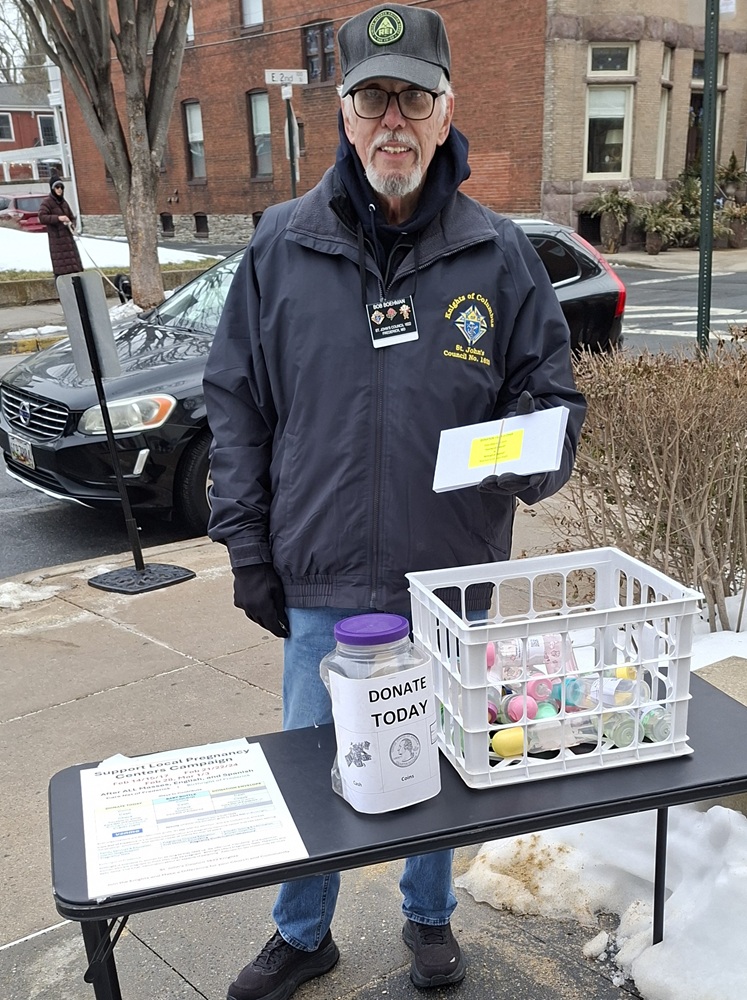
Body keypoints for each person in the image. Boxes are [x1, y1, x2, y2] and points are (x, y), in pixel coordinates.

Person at [203, 5, 586, 999]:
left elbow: (552, 397)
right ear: (343, 111)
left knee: (437, 756)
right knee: (316, 761)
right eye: (373, 98)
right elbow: (236, 404)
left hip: (446, 572)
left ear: (446, 110)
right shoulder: (282, 246)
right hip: (320, 570)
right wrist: (245, 544)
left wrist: (528, 455)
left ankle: (428, 915)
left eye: (413, 98)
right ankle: (302, 931)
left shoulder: (497, 254)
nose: (393, 122)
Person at [38, 176, 83, 279]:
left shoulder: (64, 202)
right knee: (62, 269)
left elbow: (72, 217)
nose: (59, 190)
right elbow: (42, 217)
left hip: (68, 240)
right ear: (52, 188)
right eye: (57, 187)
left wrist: (71, 224)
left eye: (61, 187)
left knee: (74, 267)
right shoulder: (47, 202)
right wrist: (58, 218)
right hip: (57, 241)